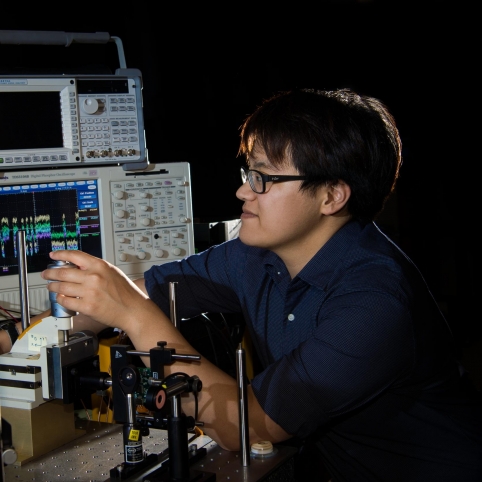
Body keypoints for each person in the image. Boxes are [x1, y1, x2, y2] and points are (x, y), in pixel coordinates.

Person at [3, 88, 481, 481]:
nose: (241, 192)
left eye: (263, 179)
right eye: (245, 172)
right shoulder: (255, 254)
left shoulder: (374, 302)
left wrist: (133, 315)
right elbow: (150, 291)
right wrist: (22, 337)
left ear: (332, 196)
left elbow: (253, 426)